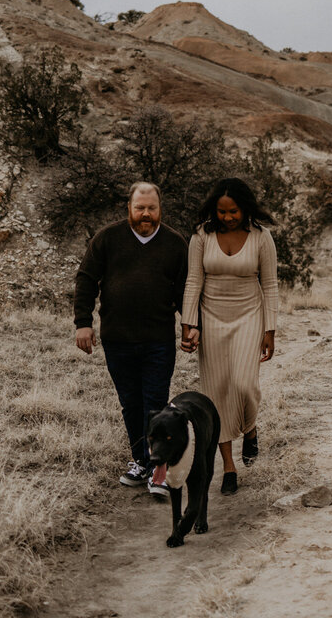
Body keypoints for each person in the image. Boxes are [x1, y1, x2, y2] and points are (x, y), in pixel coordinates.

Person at [74, 182, 188, 496]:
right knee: (130, 405)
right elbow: (85, 279)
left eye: (152, 208)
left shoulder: (175, 243)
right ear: (129, 208)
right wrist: (83, 323)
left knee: (155, 405)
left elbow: (183, 292)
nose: (146, 214)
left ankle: (158, 471)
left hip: (158, 340)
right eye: (140, 208)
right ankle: (140, 461)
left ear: (160, 208)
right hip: (117, 339)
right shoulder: (107, 239)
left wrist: (192, 325)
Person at [180, 177, 278, 495]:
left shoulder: (262, 238)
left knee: (244, 385)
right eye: (222, 213)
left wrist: (270, 330)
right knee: (215, 394)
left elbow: (271, 285)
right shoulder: (201, 236)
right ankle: (229, 468)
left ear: (244, 209)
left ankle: (249, 430)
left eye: (233, 211)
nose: (227, 218)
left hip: (249, 316)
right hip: (211, 319)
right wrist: (188, 323)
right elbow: (194, 280)